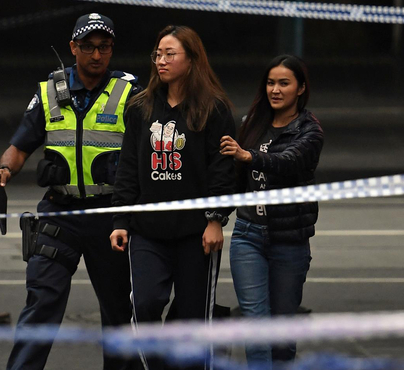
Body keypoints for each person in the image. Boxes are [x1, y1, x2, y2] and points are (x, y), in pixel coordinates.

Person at [0, 13, 142, 370]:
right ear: (73, 48)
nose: (97, 55)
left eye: (104, 47)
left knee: (119, 312)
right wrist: (2, 172)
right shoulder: (49, 92)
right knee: (41, 302)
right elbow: (19, 146)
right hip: (59, 213)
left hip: (110, 216)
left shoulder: (130, 93)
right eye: (89, 47)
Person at [109, 25, 235, 370]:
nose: (161, 61)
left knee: (194, 318)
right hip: (148, 231)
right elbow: (129, 166)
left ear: (192, 60)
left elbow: (223, 170)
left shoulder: (214, 108)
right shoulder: (140, 108)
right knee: (146, 304)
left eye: (170, 54)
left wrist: (215, 219)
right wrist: (121, 220)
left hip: (197, 233)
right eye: (158, 55)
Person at [219, 54, 323, 368]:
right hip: (248, 236)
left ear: (301, 89)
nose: (275, 90)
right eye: (270, 82)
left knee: (281, 333)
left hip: (289, 240)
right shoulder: (251, 125)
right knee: (255, 325)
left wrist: (249, 156)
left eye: (284, 83)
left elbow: (288, 161)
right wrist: (215, 217)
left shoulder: (310, 131)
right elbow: (234, 181)